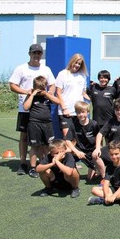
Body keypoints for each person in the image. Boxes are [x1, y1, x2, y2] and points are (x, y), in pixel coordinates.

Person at [9, 43, 56, 176]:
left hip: (41, 110)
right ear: (29, 53)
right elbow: (12, 85)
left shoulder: (46, 69)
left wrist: (49, 93)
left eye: (39, 53)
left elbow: (52, 85)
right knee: (24, 137)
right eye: (34, 53)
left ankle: (42, 163)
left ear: (41, 55)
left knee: (42, 139)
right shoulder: (21, 68)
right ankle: (23, 163)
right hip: (26, 109)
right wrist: (27, 92)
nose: (36, 55)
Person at [23, 76, 60, 178]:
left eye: (42, 88)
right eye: (38, 88)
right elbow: (25, 107)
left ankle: (48, 165)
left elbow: (58, 102)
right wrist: (32, 94)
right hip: (34, 124)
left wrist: (47, 94)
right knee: (35, 146)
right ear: (34, 87)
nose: (40, 90)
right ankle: (33, 168)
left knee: (49, 146)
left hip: (47, 124)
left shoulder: (47, 95)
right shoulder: (31, 95)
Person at [88, 141, 120, 206]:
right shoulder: (109, 166)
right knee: (94, 190)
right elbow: (106, 183)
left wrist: (114, 196)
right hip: (114, 188)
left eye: (116, 154)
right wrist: (106, 196)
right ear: (109, 154)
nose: (114, 157)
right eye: (111, 154)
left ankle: (102, 200)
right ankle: (119, 199)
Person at [64, 101, 105, 180]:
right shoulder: (74, 125)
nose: (81, 114)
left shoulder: (94, 124)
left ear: (88, 112)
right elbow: (67, 140)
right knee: (67, 151)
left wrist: (98, 148)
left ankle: (100, 172)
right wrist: (77, 151)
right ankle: (71, 170)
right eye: (78, 112)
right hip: (80, 150)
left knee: (90, 178)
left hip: (91, 150)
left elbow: (99, 137)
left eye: (83, 112)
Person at [55, 53, 90, 138]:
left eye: (79, 64)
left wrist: (92, 101)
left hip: (79, 111)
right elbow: (58, 93)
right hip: (66, 111)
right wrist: (64, 108)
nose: (77, 65)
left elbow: (83, 93)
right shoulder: (63, 74)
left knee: (77, 137)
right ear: (72, 62)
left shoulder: (83, 76)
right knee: (67, 136)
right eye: (76, 62)